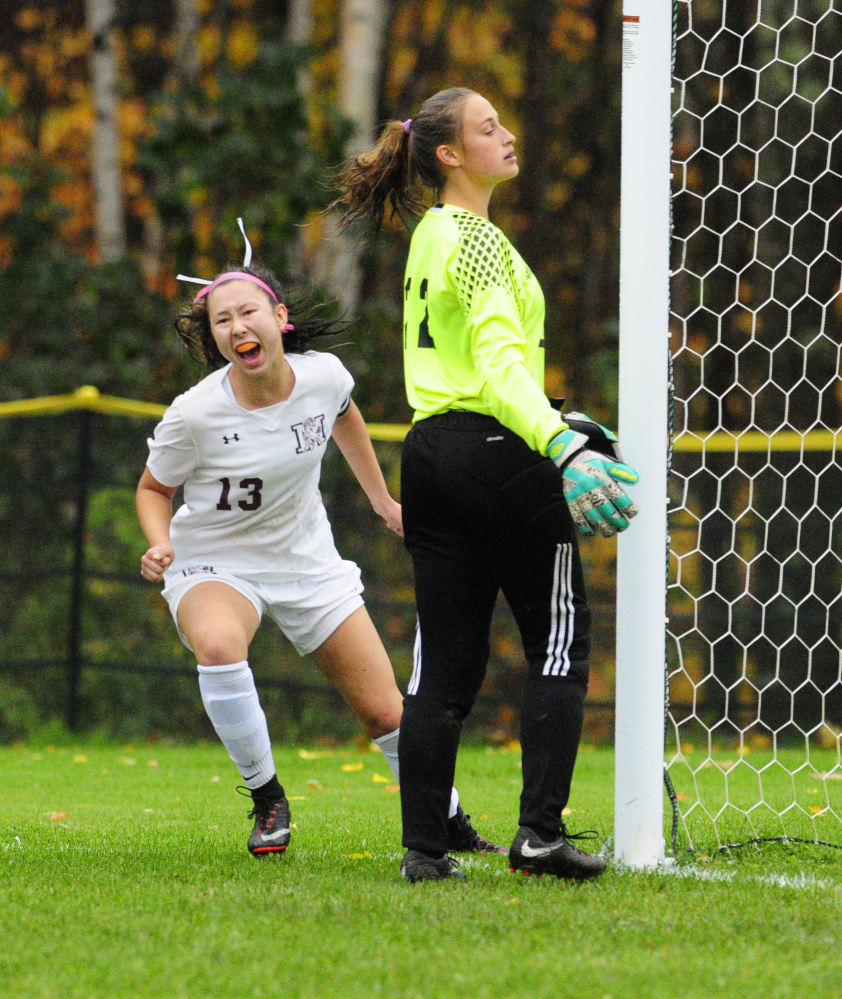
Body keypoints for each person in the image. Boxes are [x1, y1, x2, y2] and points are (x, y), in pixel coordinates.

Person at [330, 88, 639, 881]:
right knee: (559, 645)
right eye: (488, 127)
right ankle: (538, 836)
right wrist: (561, 447)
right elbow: (499, 367)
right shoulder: (476, 242)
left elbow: (473, 367)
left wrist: (557, 424)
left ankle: (425, 851)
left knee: (448, 665)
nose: (509, 134)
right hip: (500, 450)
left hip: (430, 451)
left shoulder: (429, 237)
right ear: (448, 154)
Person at [136, 240, 503, 861]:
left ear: (278, 318)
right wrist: (160, 541)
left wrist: (385, 502)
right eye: (221, 320)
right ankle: (267, 797)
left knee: (387, 713)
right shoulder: (193, 413)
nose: (236, 327)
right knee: (221, 646)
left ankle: (450, 819)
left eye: (247, 312)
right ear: (215, 337)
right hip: (214, 560)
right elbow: (152, 488)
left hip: (306, 560)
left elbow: (345, 415)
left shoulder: (324, 375)